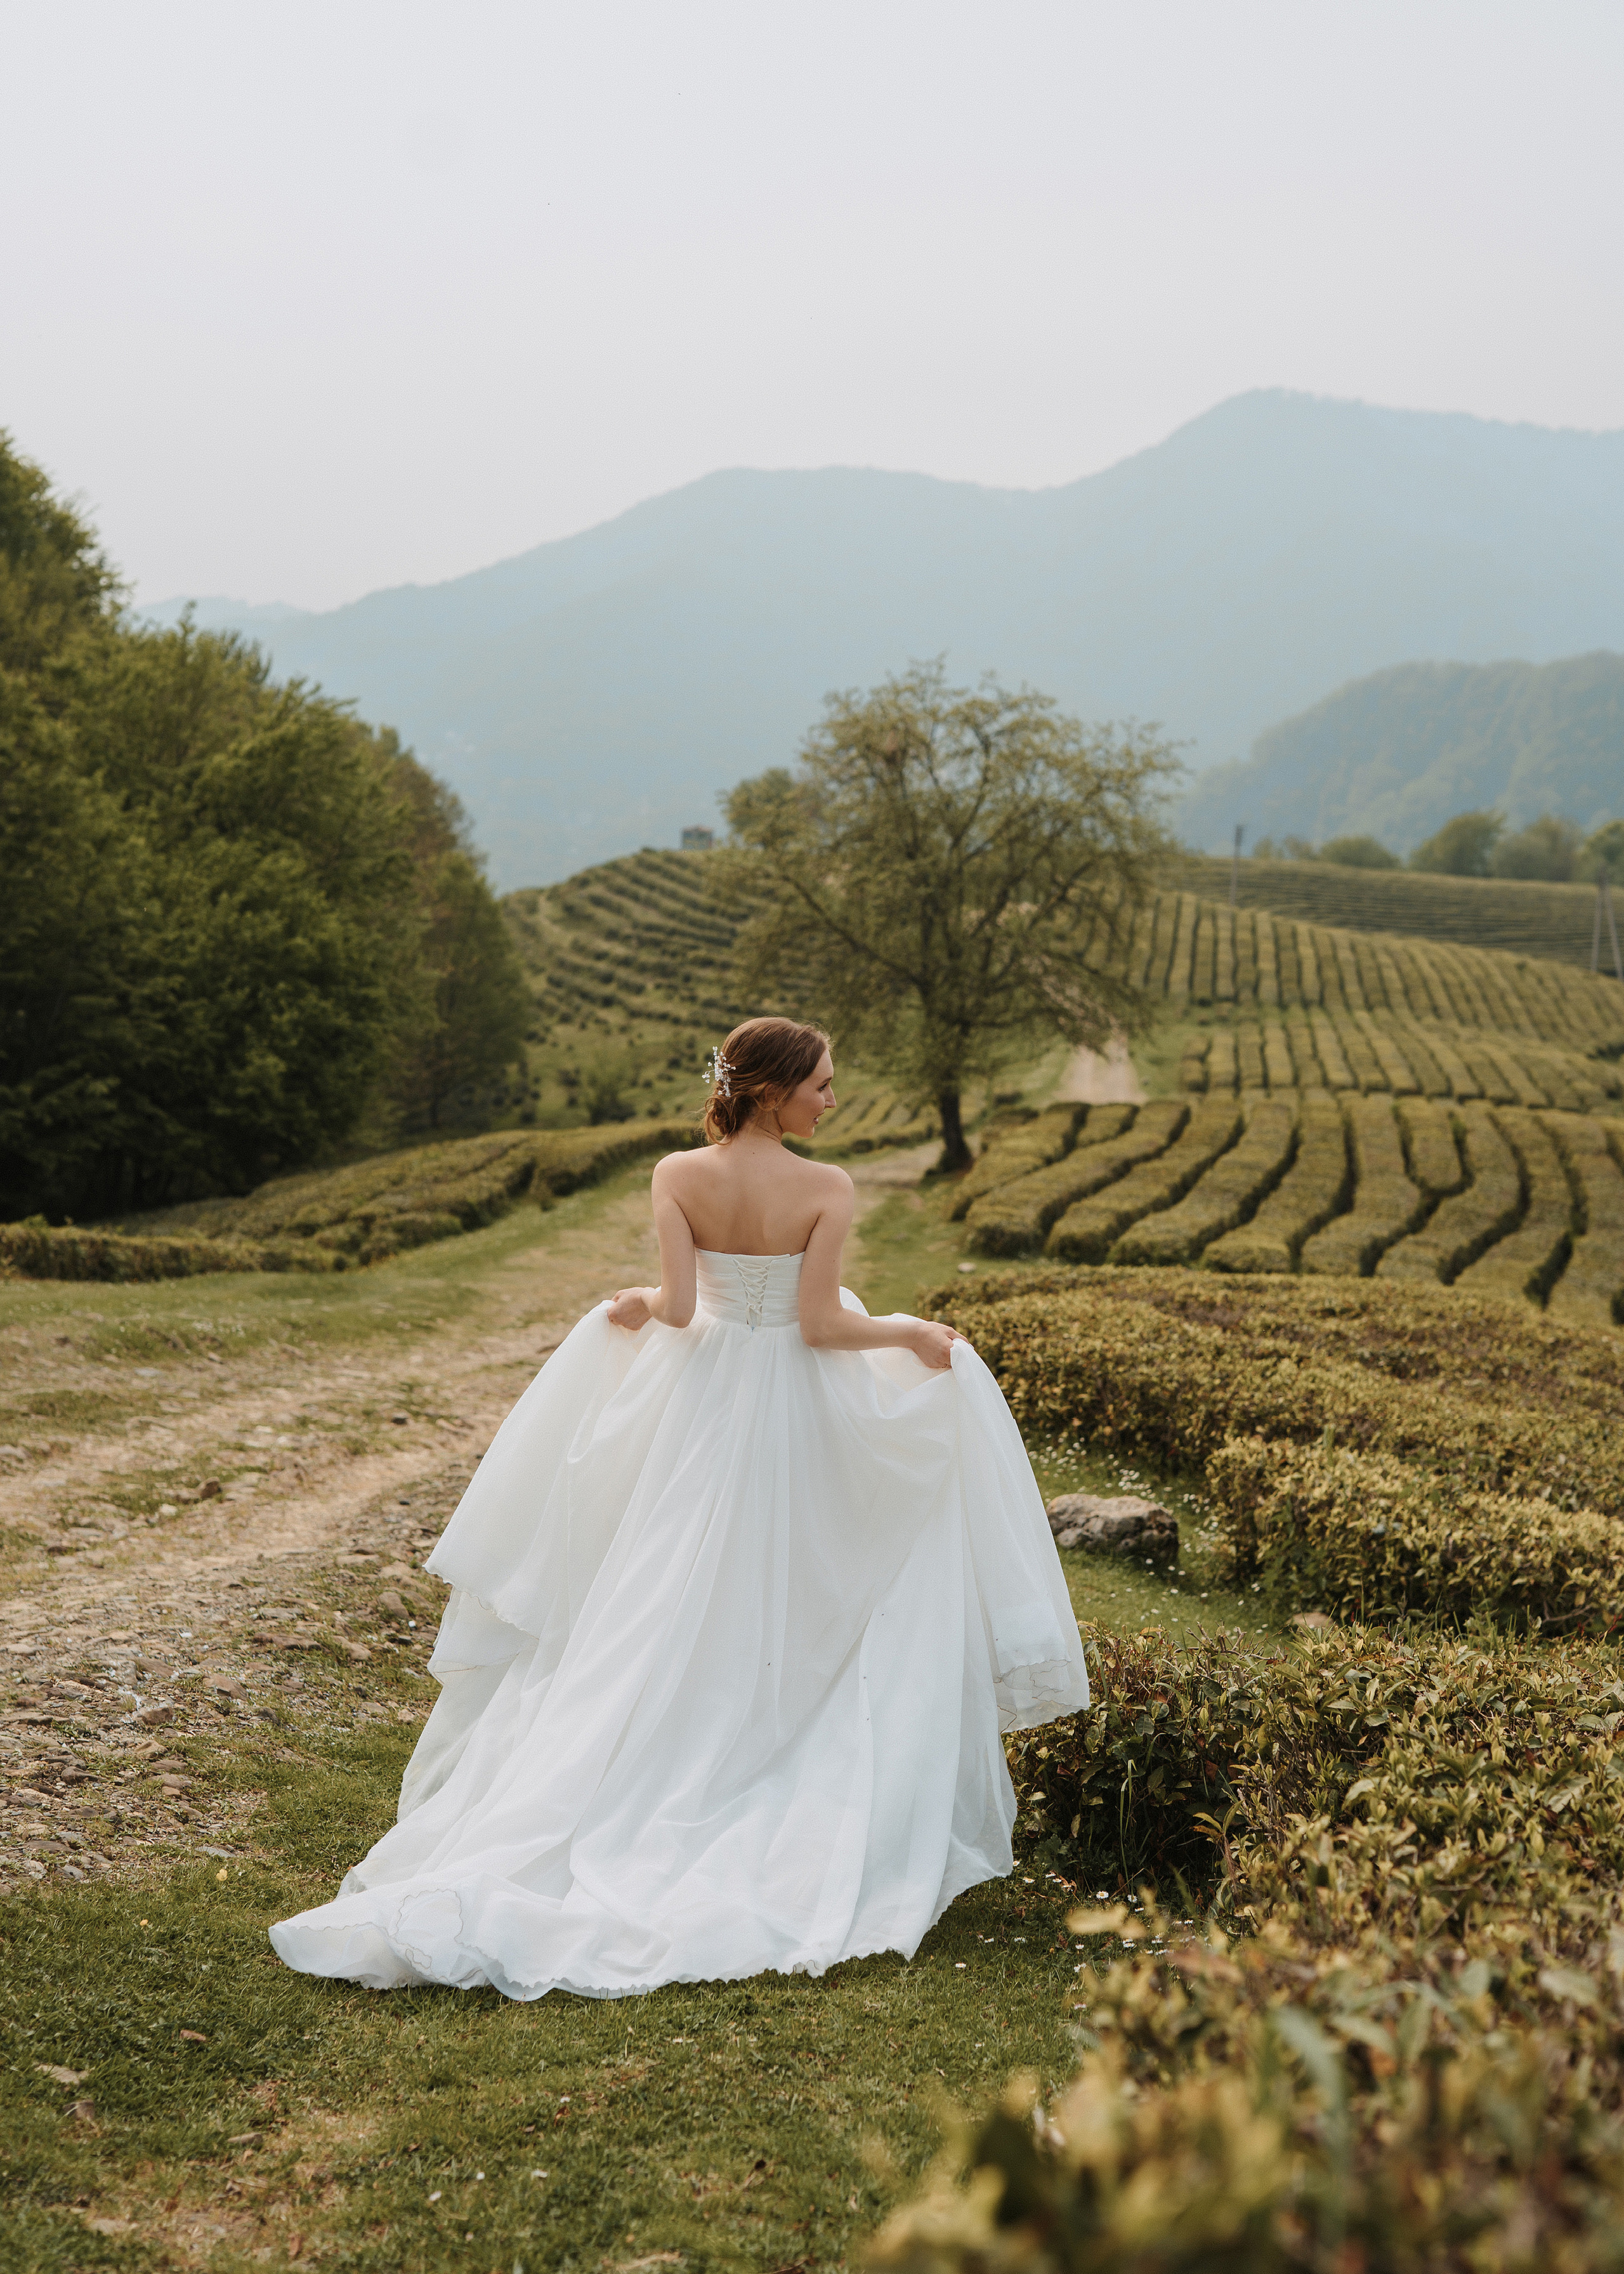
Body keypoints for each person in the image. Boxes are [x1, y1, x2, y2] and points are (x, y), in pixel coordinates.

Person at [270, 1017, 1089, 1999]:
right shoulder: (827, 1188)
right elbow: (824, 1325)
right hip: (793, 1404)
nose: (833, 1099)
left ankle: (652, 1758)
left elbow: (677, 1303)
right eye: (823, 1084)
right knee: (800, 1579)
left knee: (666, 1584)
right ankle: (765, 1758)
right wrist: (911, 1330)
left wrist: (630, 1305)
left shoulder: (675, 1173)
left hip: (701, 1407)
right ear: (775, 1090)